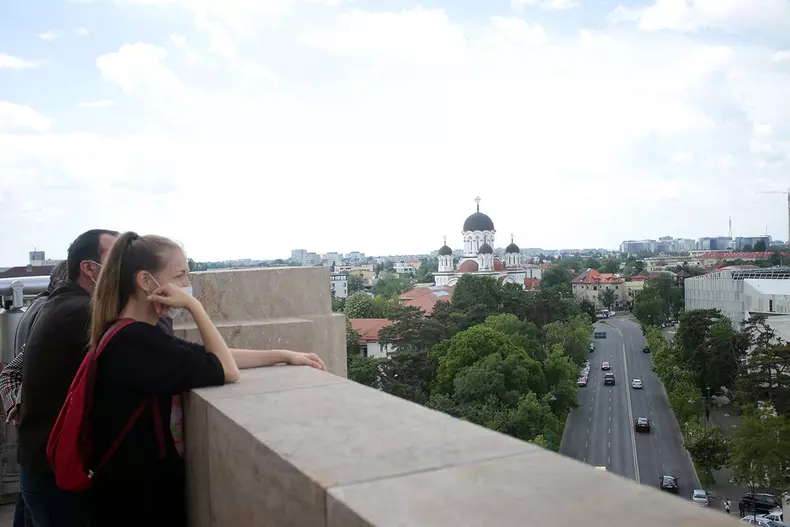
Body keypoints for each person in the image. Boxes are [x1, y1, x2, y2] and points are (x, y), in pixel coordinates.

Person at [87, 232, 326, 527]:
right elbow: (226, 370)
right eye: (181, 275)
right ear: (146, 282)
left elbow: (212, 356)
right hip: (136, 503)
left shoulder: (130, 334)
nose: (188, 283)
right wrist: (195, 307)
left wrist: (283, 354)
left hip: (125, 496)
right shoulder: (136, 343)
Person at [18, 229, 120, 527]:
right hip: (54, 477)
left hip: (41, 466)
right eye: (117, 258)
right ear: (88, 268)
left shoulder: (60, 304)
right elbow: (151, 348)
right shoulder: (83, 313)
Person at [0, 261, 68, 527]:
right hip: (44, 450)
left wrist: (16, 404)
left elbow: (10, 372)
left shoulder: (36, 309)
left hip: (32, 447)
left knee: (27, 504)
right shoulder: (54, 316)